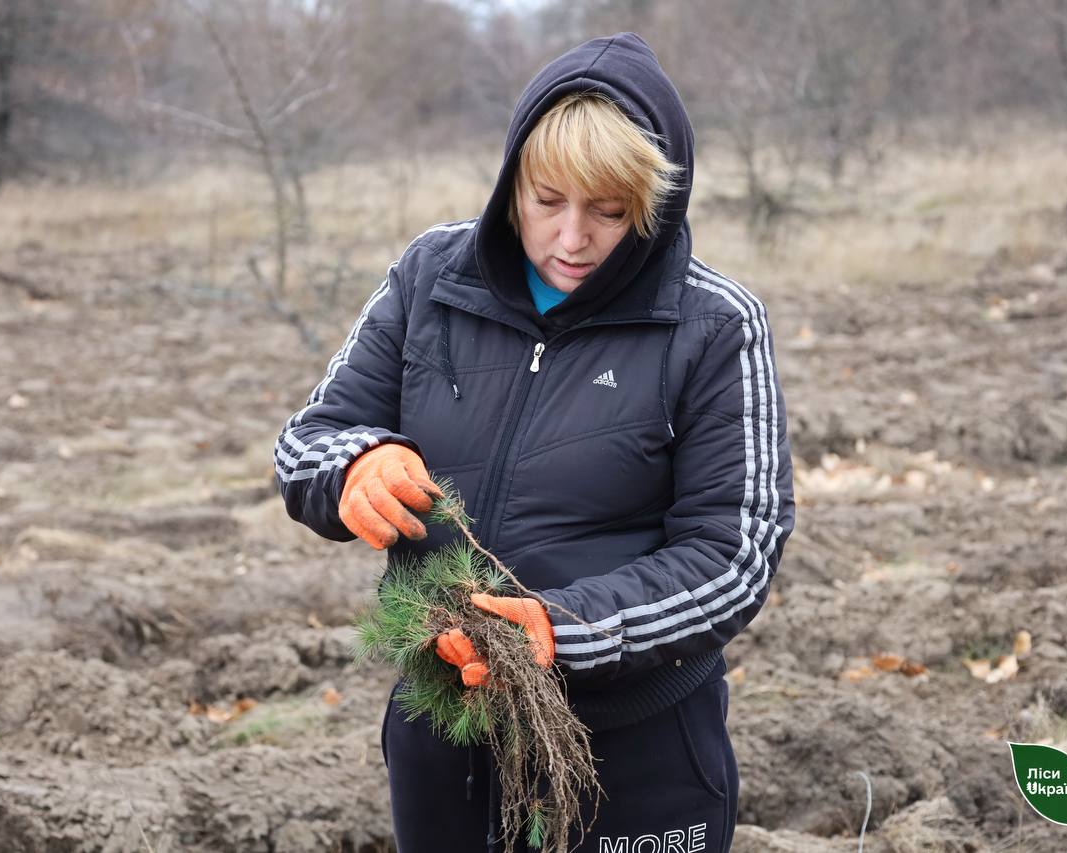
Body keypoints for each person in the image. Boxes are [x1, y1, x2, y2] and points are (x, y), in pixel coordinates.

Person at [274, 32, 794, 853]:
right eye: (548, 200)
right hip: (446, 738)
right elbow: (310, 439)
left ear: (653, 204)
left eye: (610, 211)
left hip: (631, 751)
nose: (572, 238)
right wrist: (355, 464)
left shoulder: (714, 325)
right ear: (512, 181)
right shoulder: (430, 278)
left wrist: (566, 627)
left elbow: (734, 552)